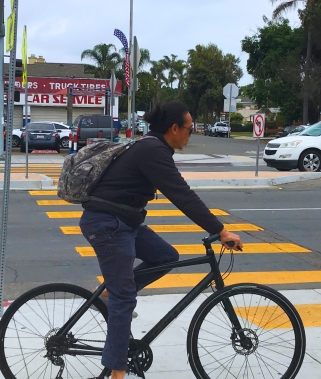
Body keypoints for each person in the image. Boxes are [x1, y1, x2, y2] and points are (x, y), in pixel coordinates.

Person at [79, 101, 243, 379]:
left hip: (124, 222)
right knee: (124, 298)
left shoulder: (153, 147)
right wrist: (221, 230)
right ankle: (118, 372)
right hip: (108, 225)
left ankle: (109, 294)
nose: (190, 135)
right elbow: (182, 194)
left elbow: (179, 193)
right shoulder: (153, 150)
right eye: (189, 129)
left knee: (166, 256)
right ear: (174, 128)